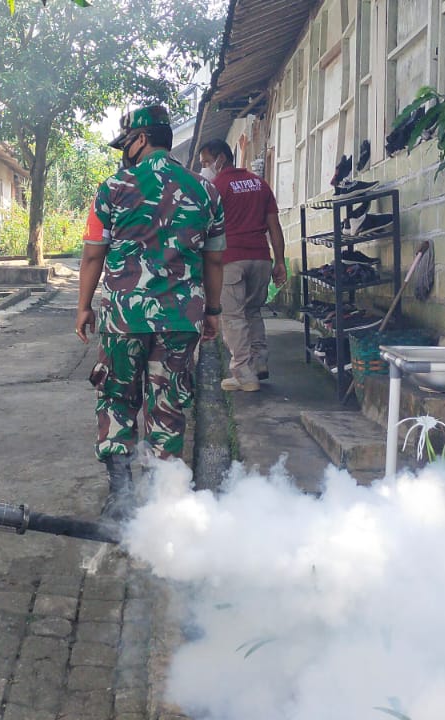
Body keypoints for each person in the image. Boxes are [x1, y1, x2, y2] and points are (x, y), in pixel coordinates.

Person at [75, 105, 225, 522]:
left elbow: (92, 257)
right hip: (181, 319)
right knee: (168, 404)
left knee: (117, 398)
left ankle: (121, 500)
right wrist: (213, 311)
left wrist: (85, 307)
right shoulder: (206, 191)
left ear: (140, 139)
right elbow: (214, 262)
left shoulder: (112, 188)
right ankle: (164, 504)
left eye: (126, 143)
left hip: (124, 317)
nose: (125, 151)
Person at [197, 139, 286, 392]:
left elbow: (205, 228)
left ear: (221, 159)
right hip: (260, 258)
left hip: (230, 260)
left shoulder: (216, 187)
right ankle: (259, 363)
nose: (204, 167)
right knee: (253, 311)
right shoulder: (260, 184)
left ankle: (243, 374)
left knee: (233, 317)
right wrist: (279, 262)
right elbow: (274, 227)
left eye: (206, 162)